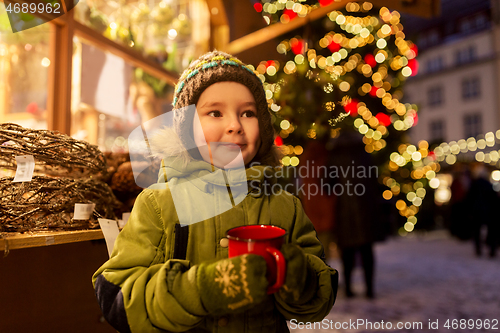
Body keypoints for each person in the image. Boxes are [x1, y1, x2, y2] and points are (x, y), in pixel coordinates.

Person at [92, 51, 338, 333]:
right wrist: (201, 288)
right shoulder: (160, 203)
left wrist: (302, 280)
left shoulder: (285, 205)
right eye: (215, 113)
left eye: (248, 113)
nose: (234, 125)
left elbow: (319, 297)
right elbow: (118, 295)